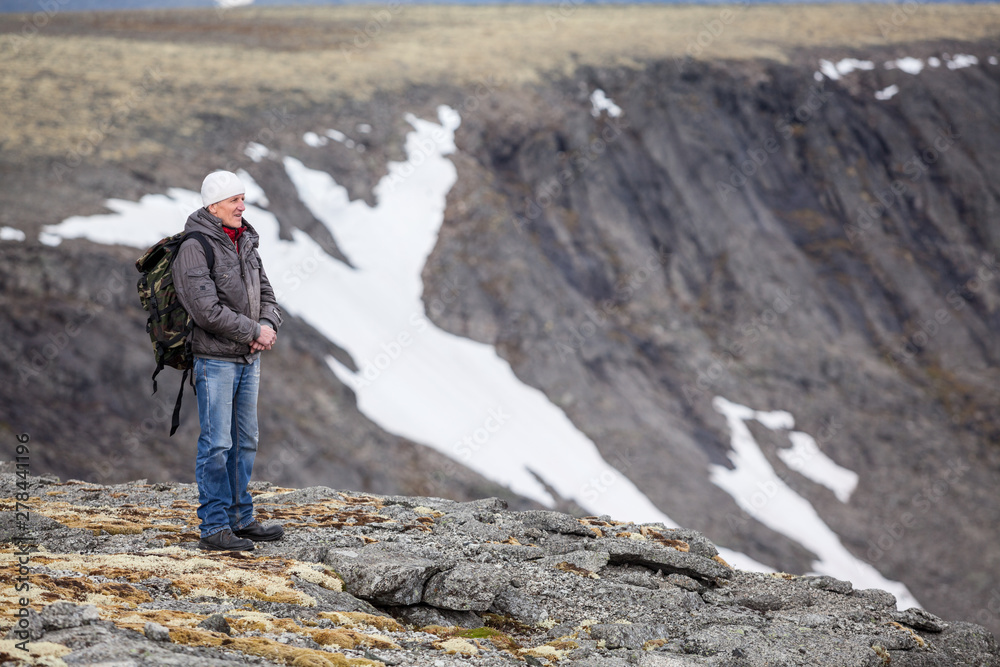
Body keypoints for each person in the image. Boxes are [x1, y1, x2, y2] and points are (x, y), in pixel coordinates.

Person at [174, 170, 284, 551]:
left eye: (242, 198)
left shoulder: (245, 241)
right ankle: (214, 527)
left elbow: (267, 293)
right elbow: (205, 310)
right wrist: (253, 332)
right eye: (234, 199)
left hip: (247, 360)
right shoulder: (195, 246)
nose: (242, 205)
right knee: (217, 444)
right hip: (215, 360)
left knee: (245, 440)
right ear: (212, 205)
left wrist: (267, 323)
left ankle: (241, 518)